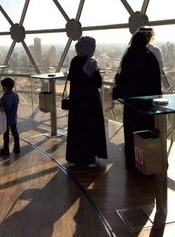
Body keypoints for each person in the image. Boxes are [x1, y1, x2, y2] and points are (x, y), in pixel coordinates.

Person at [114, 30, 161, 170]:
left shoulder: (129, 56)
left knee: (131, 131)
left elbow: (123, 79)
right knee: (146, 130)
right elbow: (156, 80)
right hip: (147, 103)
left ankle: (132, 160)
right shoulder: (150, 56)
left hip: (132, 103)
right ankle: (148, 159)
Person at [66, 36, 108, 168]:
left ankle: (74, 157)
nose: (95, 48)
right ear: (90, 47)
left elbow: (73, 78)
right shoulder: (91, 62)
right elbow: (98, 83)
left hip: (76, 102)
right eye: (93, 46)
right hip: (90, 102)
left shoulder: (74, 61)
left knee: (77, 129)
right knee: (90, 129)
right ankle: (89, 158)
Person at [0, 77, 21, 156]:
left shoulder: (4, 98)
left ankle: (6, 150)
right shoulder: (15, 95)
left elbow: (1, 109)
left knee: (6, 134)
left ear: (4, 87)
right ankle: (17, 148)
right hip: (13, 118)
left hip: (6, 120)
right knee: (15, 133)